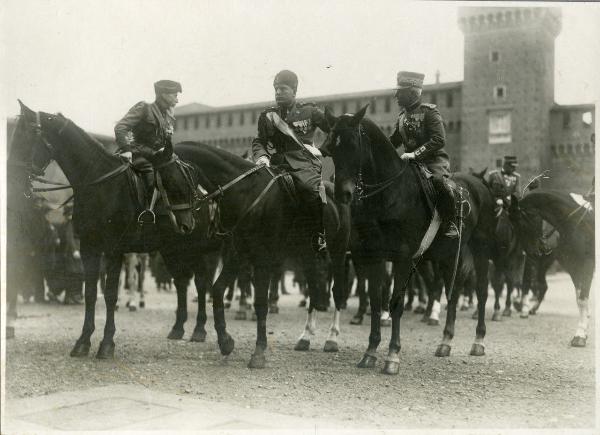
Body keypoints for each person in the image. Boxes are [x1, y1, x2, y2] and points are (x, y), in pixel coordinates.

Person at [252, 70, 330, 251]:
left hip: (304, 163)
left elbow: (334, 129)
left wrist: (321, 150)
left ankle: (319, 234)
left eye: (283, 89)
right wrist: (262, 156)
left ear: (294, 91)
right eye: (276, 89)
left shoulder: (310, 111)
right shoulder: (267, 116)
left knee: (310, 189)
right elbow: (259, 141)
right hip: (277, 162)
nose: (278, 92)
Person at [390, 71, 458, 237]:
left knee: (440, 183)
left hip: (433, 162)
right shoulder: (401, 118)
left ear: (413, 92)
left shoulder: (430, 112)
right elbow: (392, 142)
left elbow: (439, 139)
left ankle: (450, 222)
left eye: (401, 92)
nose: (396, 95)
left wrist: (414, 154)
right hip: (409, 165)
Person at [114, 80, 182, 195]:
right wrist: (126, 150)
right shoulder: (144, 108)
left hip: (154, 156)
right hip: (137, 154)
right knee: (149, 171)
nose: (177, 100)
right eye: (175, 96)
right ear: (164, 95)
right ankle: (147, 210)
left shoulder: (166, 115)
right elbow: (120, 127)